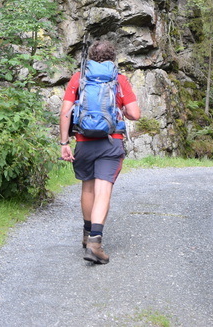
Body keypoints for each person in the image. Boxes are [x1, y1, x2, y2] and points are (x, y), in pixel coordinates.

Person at [59, 40, 140, 264]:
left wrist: (64, 143)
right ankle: (95, 242)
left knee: (87, 187)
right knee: (103, 189)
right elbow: (135, 114)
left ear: (91, 57)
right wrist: (120, 108)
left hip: (84, 141)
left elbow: (66, 111)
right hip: (110, 141)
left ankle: (86, 236)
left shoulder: (79, 78)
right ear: (113, 58)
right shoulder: (119, 80)